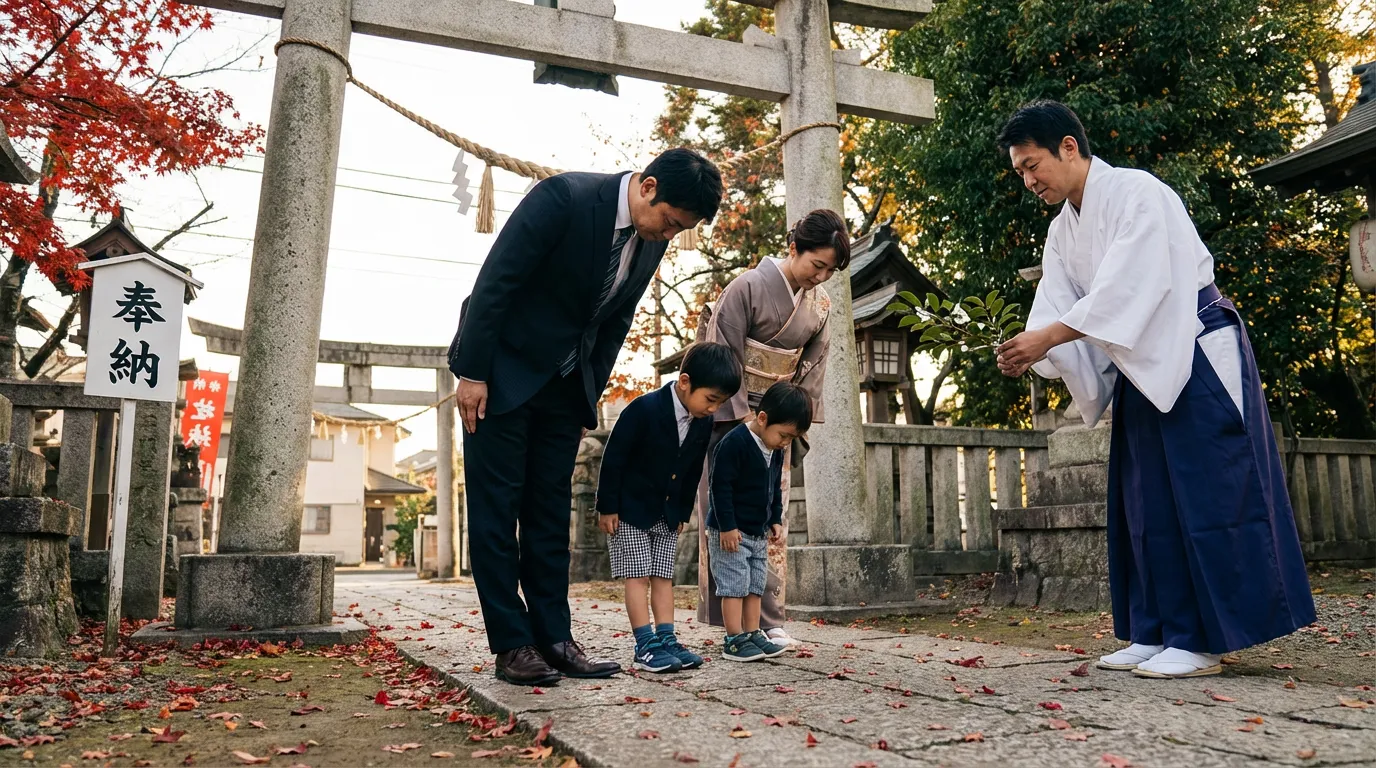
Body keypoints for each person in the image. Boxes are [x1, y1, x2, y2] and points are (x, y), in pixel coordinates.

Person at [994, 100, 1315, 679]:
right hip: (1139, 358)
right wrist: (1033, 346)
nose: (1028, 179)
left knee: (1208, 492)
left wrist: (1047, 338)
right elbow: (1059, 308)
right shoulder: (1063, 231)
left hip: (1194, 344)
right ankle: (1156, 629)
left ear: (1069, 146)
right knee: (1147, 500)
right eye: (1019, 170)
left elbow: (1128, 287)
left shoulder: (1139, 193)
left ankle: (1204, 638)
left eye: (1032, 164)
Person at [448, 148, 724, 687]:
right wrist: (473, 373)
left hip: (562, 389)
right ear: (647, 188)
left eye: (680, 231)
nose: (668, 236)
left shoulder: (648, 244)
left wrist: (585, 400)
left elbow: (614, 325)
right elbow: (495, 282)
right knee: (497, 513)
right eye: (670, 222)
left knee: (549, 517)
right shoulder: (564, 198)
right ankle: (512, 644)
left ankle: (555, 639)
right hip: (500, 377)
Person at [695, 209, 850, 647]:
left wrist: (791, 422)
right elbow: (723, 352)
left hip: (776, 423)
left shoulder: (820, 306)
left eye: (828, 271)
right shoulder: (745, 287)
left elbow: (812, 366)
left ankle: (768, 617)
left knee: (768, 516)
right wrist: (743, 418)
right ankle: (730, 621)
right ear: (793, 247)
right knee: (727, 514)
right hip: (734, 416)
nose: (819, 277)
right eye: (815, 265)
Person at [596, 342, 742, 673]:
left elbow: (692, 472)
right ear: (686, 382)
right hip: (629, 511)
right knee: (637, 575)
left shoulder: (702, 423)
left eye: (720, 403)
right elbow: (614, 458)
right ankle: (644, 645)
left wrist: (682, 511)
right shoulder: (643, 409)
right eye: (711, 399)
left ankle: (666, 638)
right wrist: (607, 506)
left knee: (663, 576)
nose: (713, 409)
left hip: (666, 514)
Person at [706, 381, 812, 662]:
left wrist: (775, 518)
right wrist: (726, 527)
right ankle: (734, 639)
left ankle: (753, 633)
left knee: (755, 585)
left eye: (792, 438)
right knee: (734, 584)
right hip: (730, 531)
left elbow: (774, 485)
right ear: (762, 418)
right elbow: (720, 487)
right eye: (785, 435)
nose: (786, 442)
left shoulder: (774, 448)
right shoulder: (735, 443)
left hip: (756, 530)